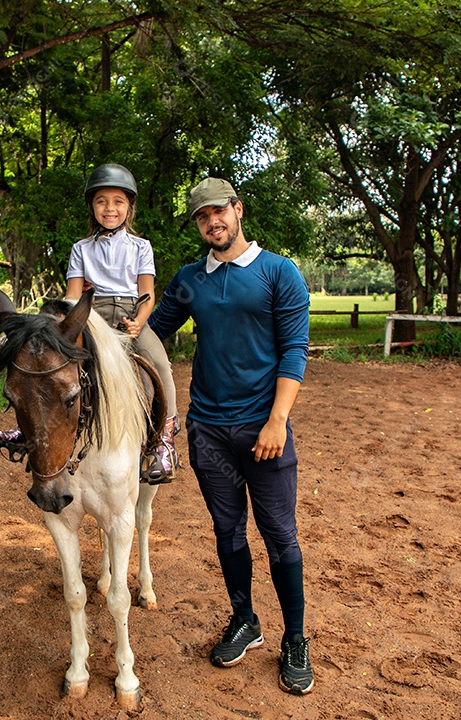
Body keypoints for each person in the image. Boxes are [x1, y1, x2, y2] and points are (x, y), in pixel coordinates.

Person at [147, 177, 313, 694]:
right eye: (201, 217)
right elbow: (151, 330)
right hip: (209, 431)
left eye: (218, 211)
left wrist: (277, 420)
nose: (211, 222)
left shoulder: (278, 272)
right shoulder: (190, 280)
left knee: (279, 535)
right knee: (227, 531)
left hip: (264, 430)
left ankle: (295, 639)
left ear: (238, 210)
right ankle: (245, 621)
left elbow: (294, 350)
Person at [0, 163, 180, 484]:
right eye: (101, 202)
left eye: (118, 201)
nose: (110, 209)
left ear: (129, 207)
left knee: (161, 365)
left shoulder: (141, 247)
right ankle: (30, 429)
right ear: (92, 207)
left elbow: (148, 294)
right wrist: (62, 322)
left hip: (129, 315)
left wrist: (139, 322)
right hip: (91, 317)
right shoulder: (81, 249)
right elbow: (72, 295)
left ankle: (164, 441)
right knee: (52, 365)